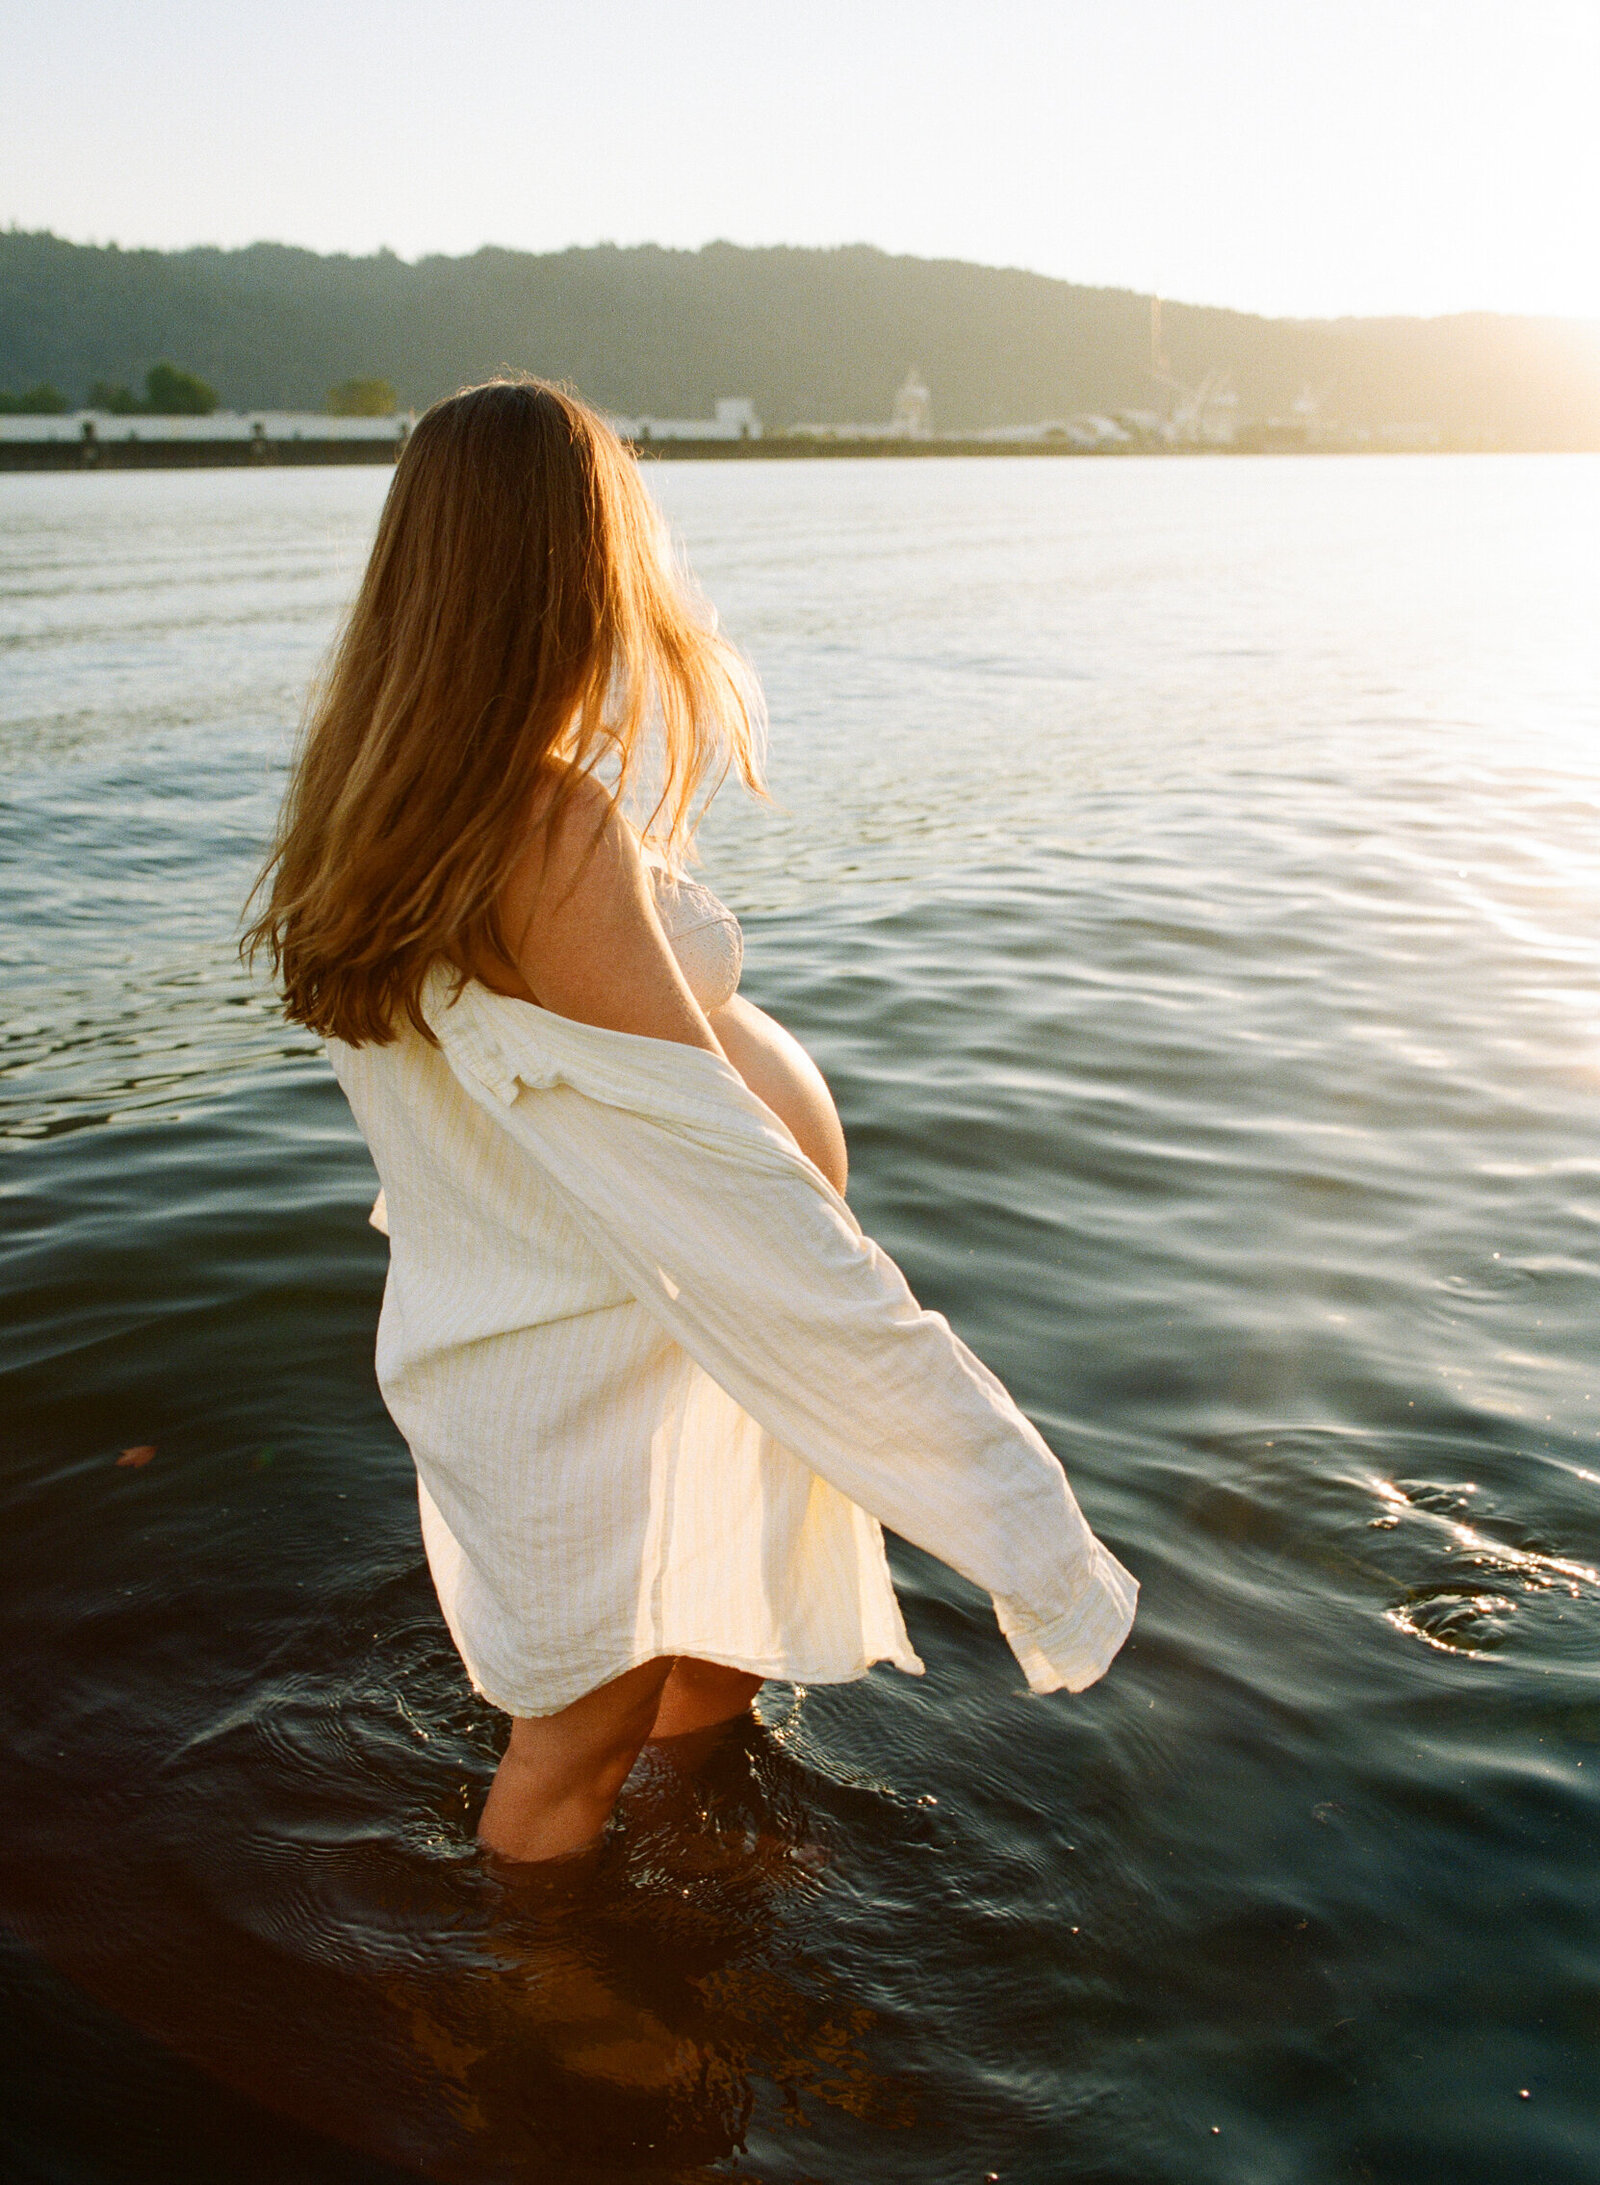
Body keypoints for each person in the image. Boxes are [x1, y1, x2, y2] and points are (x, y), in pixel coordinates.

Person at [245, 376, 1136, 1867]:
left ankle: (698, 1916)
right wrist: (1021, 1516)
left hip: (597, 1337)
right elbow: (733, 1184)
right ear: (574, 574)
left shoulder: (384, 805)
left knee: (705, 1651)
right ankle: (546, 2051)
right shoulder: (541, 829)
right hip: (604, 1348)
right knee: (574, 1750)